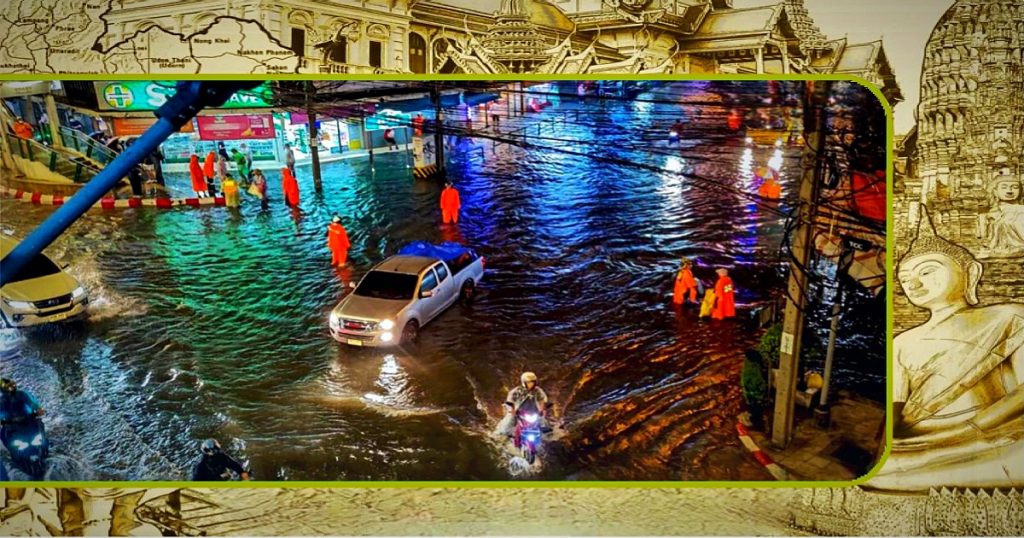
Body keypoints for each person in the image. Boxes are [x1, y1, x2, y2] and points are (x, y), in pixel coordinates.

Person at [869, 207, 1024, 490]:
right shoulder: (903, 342)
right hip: (921, 444)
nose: (914, 283)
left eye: (927, 271)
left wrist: (973, 428)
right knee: (884, 473)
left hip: (989, 435)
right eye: (905, 280)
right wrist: (886, 450)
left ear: (970, 272)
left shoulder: (1009, 317)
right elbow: (895, 408)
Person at [495, 372, 551, 438]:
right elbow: (510, 400)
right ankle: (500, 435)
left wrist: (543, 410)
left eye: (532, 382)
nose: (531, 384)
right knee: (507, 423)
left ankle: (547, 438)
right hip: (518, 412)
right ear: (524, 382)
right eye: (528, 382)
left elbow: (543, 400)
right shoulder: (517, 391)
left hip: (533, 412)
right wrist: (512, 410)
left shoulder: (538, 391)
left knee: (545, 425)